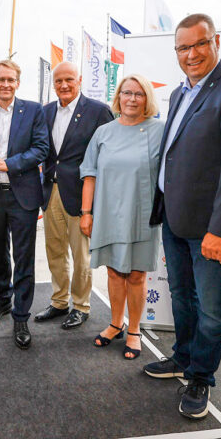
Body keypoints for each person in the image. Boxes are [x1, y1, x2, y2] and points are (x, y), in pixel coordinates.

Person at [144, 14, 221, 419]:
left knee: (212, 310)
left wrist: (220, 228)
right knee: (181, 298)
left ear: (216, 41)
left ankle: (200, 377)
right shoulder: (181, 92)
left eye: (199, 44)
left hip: (211, 228)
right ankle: (182, 357)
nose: (191, 54)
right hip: (175, 220)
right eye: (183, 47)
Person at [80, 75, 163, 359]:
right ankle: (116, 323)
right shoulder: (103, 132)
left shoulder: (159, 131)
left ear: (147, 99)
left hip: (142, 215)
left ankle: (135, 330)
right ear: (118, 96)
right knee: (114, 272)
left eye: (139, 94)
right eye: (127, 92)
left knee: (137, 275)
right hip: (107, 214)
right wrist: (87, 213)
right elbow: (89, 174)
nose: (132, 99)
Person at [0, 59, 49, 349]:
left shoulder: (33, 111)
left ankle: (21, 316)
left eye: (11, 80)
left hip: (23, 195)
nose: (6, 84)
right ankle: (2, 300)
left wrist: (8, 163)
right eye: (1, 79)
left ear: (18, 83)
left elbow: (41, 149)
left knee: (24, 258)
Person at [35, 61, 114, 329]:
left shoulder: (98, 111)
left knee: (81, 255)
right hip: (50, 191)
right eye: (58, 81)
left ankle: (81, 305)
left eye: (69, 79)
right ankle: (59, 301)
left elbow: (107, 156)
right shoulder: (44, 112)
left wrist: (95, 204)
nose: (64, 85)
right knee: (54, 251)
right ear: (53, 84)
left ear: (79, 79)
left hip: (81, 194)